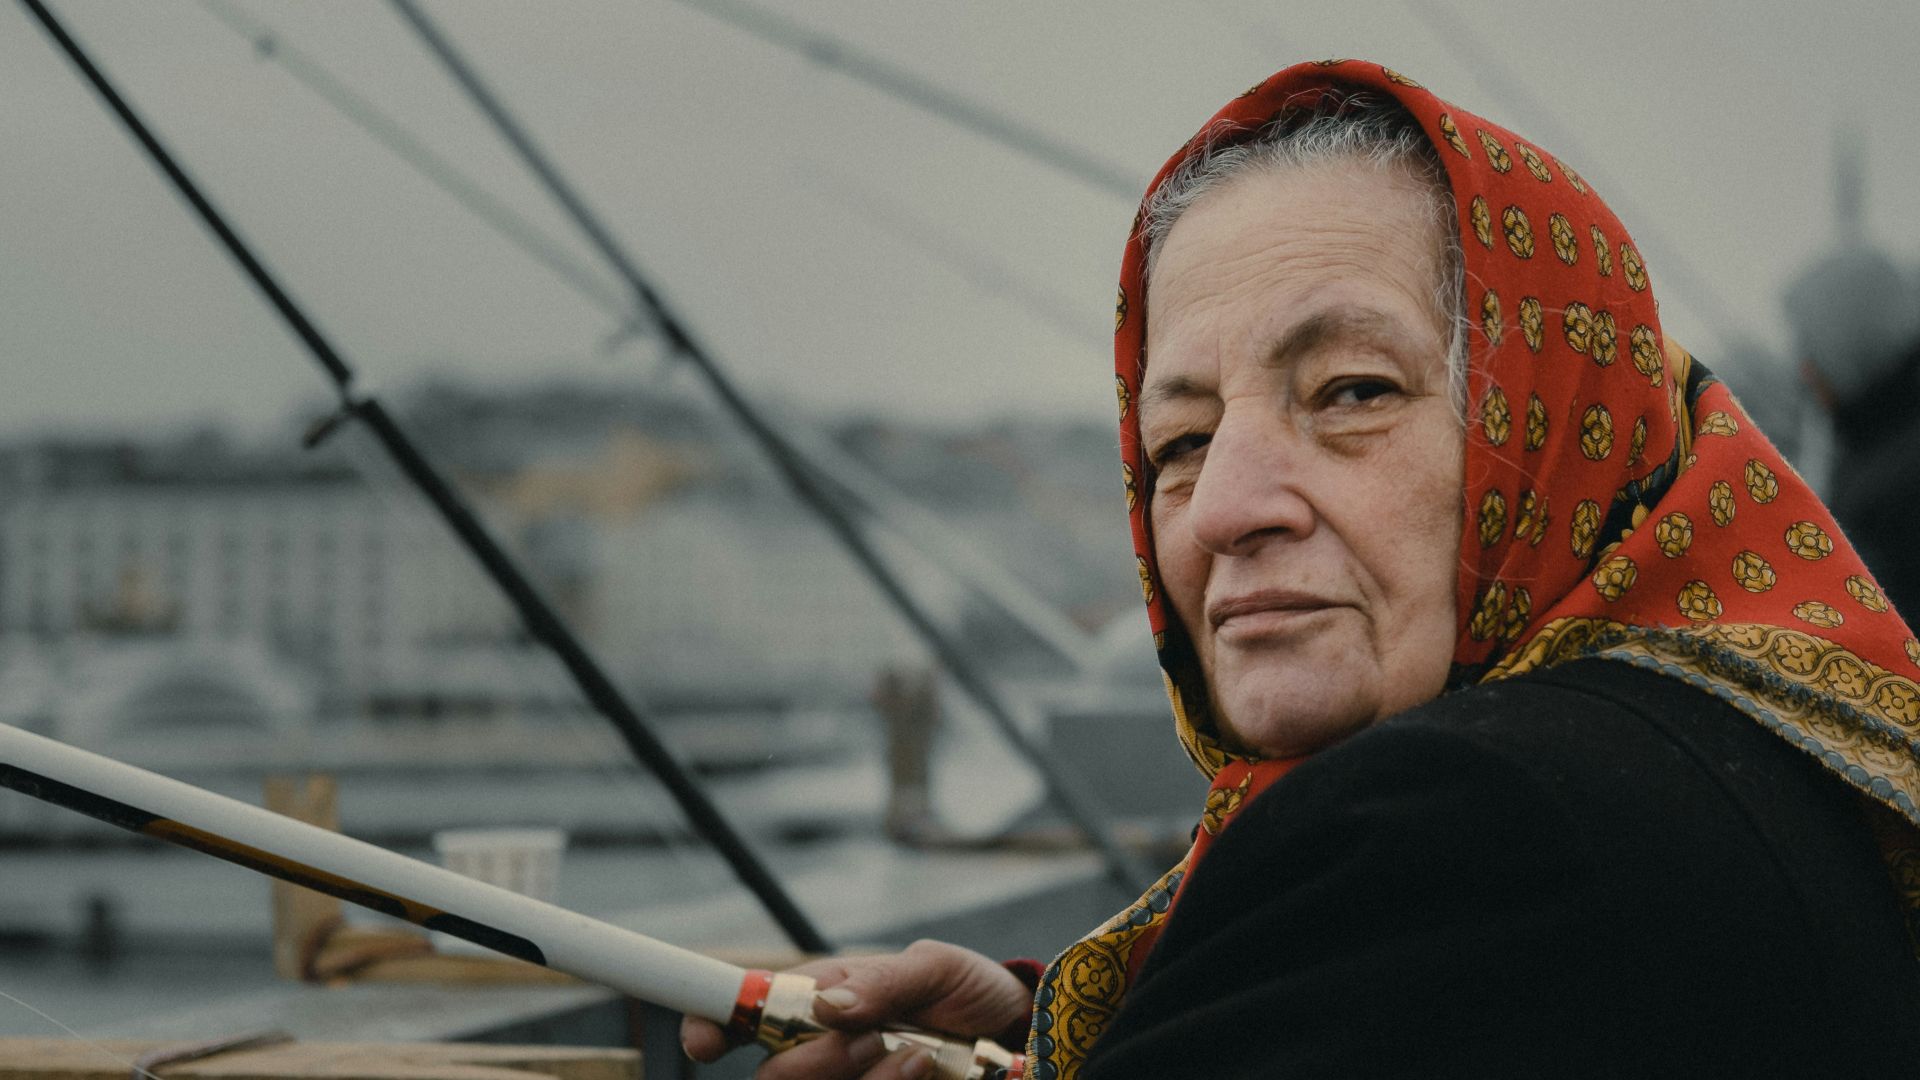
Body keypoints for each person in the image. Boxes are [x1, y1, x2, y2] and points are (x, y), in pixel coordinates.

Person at [684, 61, 1920, 1078]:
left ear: (1551, 430)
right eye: (1180, 442)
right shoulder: (1748, 758)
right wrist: (1046, 1032)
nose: (1224, 509)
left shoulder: (1455, 819)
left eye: (1352, 393)